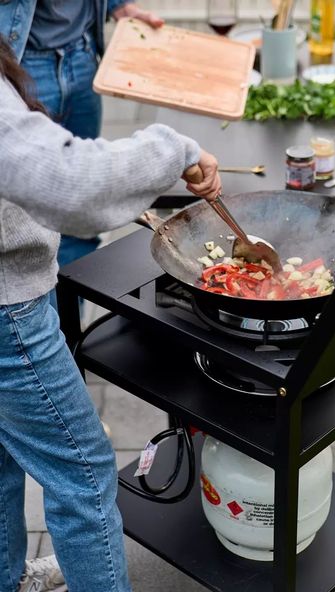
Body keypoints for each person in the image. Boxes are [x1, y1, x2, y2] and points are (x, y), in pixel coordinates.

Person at [0, 34, 221, 592]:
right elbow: (70, 180)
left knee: (3, 451)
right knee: (82, 470)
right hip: (6, 312)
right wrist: (176, 150)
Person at [0, 0, 164, 291]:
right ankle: (39, 325)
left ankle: (69, 327)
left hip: (83, 53)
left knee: (82, 222)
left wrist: (117, 5)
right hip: (22, 58)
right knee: (28, 229)